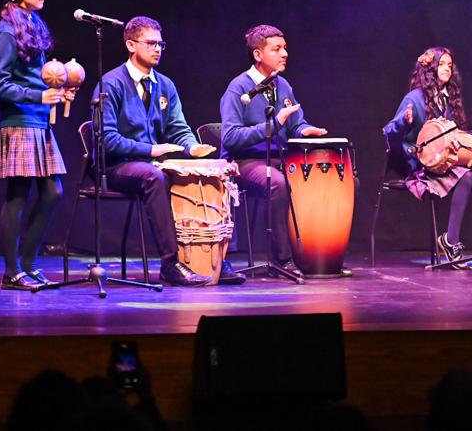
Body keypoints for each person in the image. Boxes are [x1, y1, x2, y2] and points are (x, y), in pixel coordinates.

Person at [93, 16, 226, 287]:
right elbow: (106, 140)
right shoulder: (111, 84)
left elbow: (178, 126)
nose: (157, 49)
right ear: (131, 45)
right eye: (151, 43)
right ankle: (170, 262)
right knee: (154, 176)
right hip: (116, 166)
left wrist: (192, 146)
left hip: (150, 163)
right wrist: (152, 149)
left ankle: (216, 258)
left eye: (160, 44)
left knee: (205, 173)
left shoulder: (164, 85)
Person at [383, 47, 472, 267]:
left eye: (449, 65)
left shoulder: (448, 99)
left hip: (450, 162)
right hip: (424, 165)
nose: (447, 68)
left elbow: (453, 135)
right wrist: (404, 122)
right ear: (430, 68)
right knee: (465, 176)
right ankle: (450, 240)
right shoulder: (414, 98)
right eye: (442, 64)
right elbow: (389, 132)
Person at [0, 0, 76, 290]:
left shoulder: (32, 24)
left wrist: (58, 90)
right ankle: (12, 272)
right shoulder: (6, 31)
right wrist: (38, 95)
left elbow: (38, 77)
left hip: (38, 121)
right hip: (20, 122)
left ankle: (28, 264)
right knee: (18, 194)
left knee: (53, 193)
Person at [219, 24, 328, 278]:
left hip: (278, 158)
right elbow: (231, 137)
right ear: (258, 54)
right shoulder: (238, 88)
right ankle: (283, 259)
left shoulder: (282, 85)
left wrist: (305, 130)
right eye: (277, 49)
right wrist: (273, 125)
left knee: (322, 178)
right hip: (245, 162)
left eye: (285, 48)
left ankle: (318, 255)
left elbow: (296, 123)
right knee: (278, 183)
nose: (285, 54)